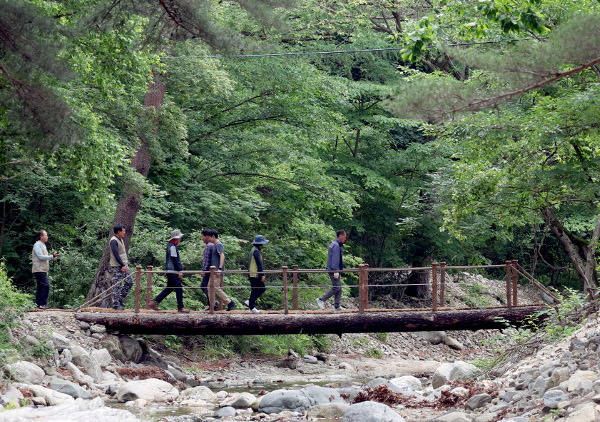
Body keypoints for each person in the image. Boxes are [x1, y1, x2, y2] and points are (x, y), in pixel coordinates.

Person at [149, 230, 190, 313]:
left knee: (169, 288)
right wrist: (179, 270)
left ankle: (154, 302)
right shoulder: (172, 246)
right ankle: (180, 307)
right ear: (176, 238)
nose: (180, 239)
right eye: (179, 238)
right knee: (179, 288)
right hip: (173, 270)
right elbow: (175, 259)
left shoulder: (170, 245)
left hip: (170, 270)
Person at [316, 229, 347, 312]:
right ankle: (321, 299)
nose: (345, 239)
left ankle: (337, 306)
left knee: (339, 287)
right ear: (340, 236)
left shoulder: (334, 244)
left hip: (333, 269)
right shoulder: (336, 245)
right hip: (334, 270)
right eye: (344, 237)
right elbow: (335, 259)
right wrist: (336, 271)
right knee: (337, 287)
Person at [207, 230, 236, 311]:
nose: (209, 239)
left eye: (209, 237)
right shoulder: (215, 245)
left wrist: (219, 269)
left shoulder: (219, 245)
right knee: (209, 287)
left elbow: (222, 256)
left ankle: (229, 302)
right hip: (214, 271)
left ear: (213, 236)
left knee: (215, 287)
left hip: (217, 271)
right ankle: (213, 305)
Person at [31, 230, 59, 309]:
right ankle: (43, 304)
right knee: (46, 285)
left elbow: (43, 258)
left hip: (42, 269)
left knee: (40, 287)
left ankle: (37, 304)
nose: (47, 237)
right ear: (41, 236)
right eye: (46, 235)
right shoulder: (37, 245)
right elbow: (40, 256)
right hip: (39, 269)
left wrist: (51, 258)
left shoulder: (43, 245)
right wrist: (51, 256)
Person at [109, 225, 132, 310]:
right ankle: (115, 304)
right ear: (118, 232)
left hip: (124, 265)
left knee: (130, 282)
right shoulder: (113, 241)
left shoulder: (120, 240)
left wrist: (124, 265)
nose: (124, 232)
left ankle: (120, 298)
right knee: (117, 285)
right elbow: (116, 255)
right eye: (123, 231)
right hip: (117, 266)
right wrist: (122, 265)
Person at [246, 235, 268, 313]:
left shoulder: (254, 250)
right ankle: (252, 307)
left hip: (253, 273)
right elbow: (258, 263)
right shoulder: (255, 251)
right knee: (255, 290)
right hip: (255, 274)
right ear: (260, 244)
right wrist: (262, 274)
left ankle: (250, 302)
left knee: (262, 288)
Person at [200, 228, 216, 311]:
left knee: (205, 287)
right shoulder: (212, 245)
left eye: (203, 236)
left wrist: (204, 270)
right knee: (205, 287)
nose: (202, 238)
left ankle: (211, 304)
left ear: (207, 236)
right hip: (210, 270)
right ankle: (213, 303)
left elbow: (207, 260)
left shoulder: (209, 245)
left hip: (208, 270)